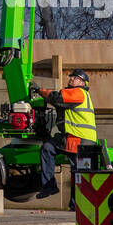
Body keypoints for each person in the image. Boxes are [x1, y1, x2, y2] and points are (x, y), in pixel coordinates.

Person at [34, 69, 96, 209]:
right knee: (48, 148)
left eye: (75, 77)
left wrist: (40, 90)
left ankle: (76, 205)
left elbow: (57, 98)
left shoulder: (78, 92)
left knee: (78, 174)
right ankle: (50, 186)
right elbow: (58, 101)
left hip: (80, 140)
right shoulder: (73, 95)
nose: (71, 79)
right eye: (71, 77)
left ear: (81, 82)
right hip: (72, 138)